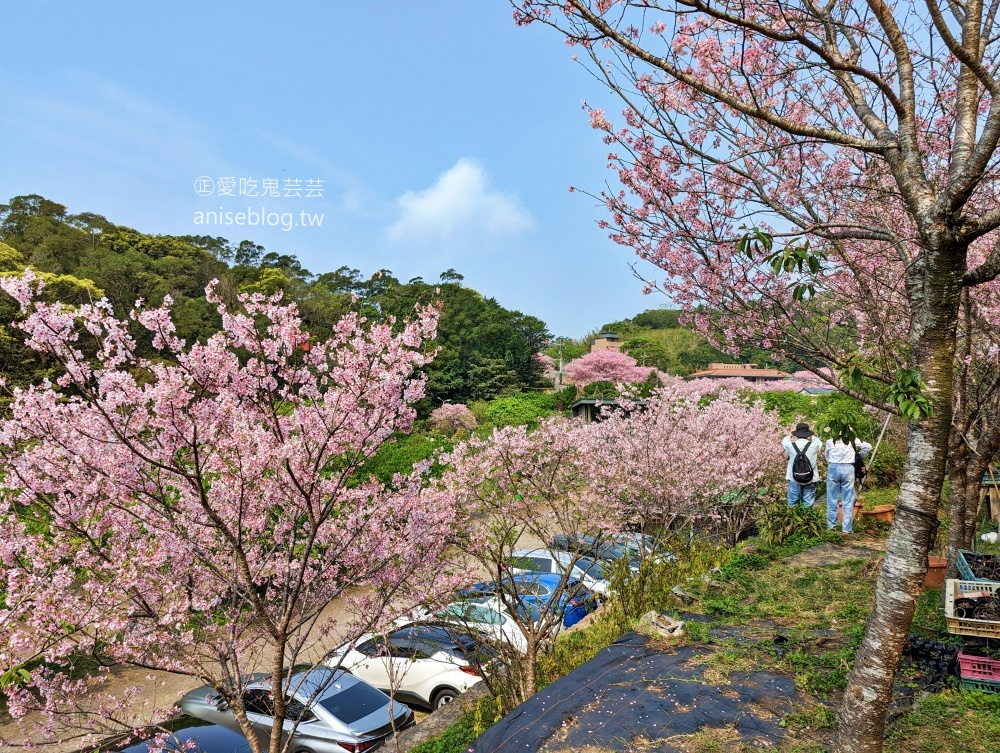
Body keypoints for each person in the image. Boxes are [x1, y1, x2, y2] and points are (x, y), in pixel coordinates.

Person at [825, 435, 873, 533]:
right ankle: (846, 529)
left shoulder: (830, 441)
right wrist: (859, 455)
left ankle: (831, 527)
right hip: (848, 468)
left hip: (833, 468)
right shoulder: (853, 439)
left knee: (832, 499)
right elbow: (868, 447)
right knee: (847, 499)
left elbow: (827, 456)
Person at [782, 422, 822, 508]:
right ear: (808, 434)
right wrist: (812, 435)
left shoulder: (790, 445)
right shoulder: (814, 445)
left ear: (796, 434)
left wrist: (790, 434)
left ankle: (792, 520)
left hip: (794, 477)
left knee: (792, 502)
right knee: (808, 503)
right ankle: (805, 519)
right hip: (811, 478)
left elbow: (784, 441)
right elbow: (818, 441)